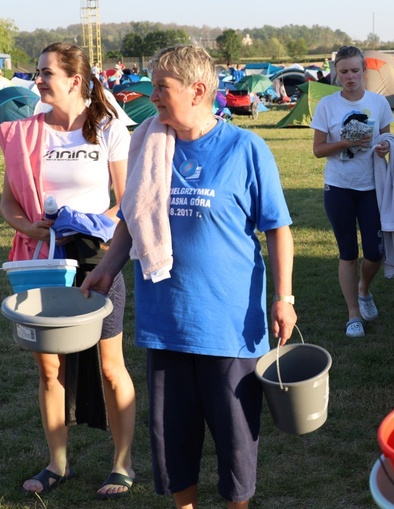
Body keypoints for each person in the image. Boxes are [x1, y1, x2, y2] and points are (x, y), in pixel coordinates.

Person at [79, 44, 297, 509]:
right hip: (168, 321)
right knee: (174, 443)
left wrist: (284, 297)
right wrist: (107, 268)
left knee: (237, 444)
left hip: (229, 327)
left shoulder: (245, 148)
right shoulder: (151, 143)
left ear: (197, 91)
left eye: (162, 86)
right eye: (153, 85)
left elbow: (278, 229)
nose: (152, 95)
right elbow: (134, 219)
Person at [0, 42, 136, 499]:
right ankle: (58, 463)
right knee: (48, 367)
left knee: (111, 366)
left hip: (99, 256)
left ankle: (122, 464)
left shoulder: (110, 129)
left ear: (75, 80)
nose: (37, 79)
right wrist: (33, 231)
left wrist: (93, 223)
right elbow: (9, 204)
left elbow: (125, 201)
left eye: (45, 72)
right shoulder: (26, 134)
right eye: (37, 72)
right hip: (46, 260)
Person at [310, 45, 394, 338]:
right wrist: (346, 142)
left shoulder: (379, 102)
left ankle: (364, 289)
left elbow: (387, 139)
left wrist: (384, 145)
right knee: (348, 253)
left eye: (354, 70)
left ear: (363, 71)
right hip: (339, 187)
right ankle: (353, 315)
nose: (349, 76)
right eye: (343, 71)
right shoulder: (327, 106)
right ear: (336, 73)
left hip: (372, 187)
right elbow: (318, 150)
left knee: (374, 252)